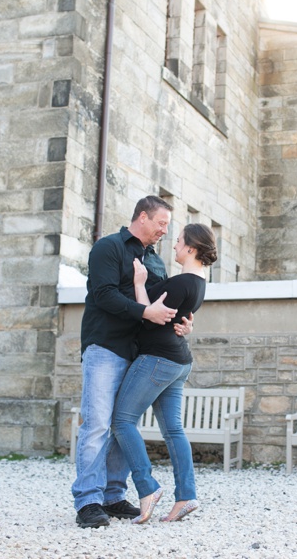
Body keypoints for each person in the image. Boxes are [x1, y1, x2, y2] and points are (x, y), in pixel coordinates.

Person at [71, 196, 193, 529]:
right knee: (96, 424)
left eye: (168, 226)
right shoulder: (107, 248)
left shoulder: (155, 262)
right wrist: (144, 312)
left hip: (141, 354)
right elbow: (104, 294)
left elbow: (162, 305)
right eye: (162, 223)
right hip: (106, 347)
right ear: (142, 217)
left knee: (125, 426)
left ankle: (113, 496)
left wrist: (183, 323)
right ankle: (88, 502)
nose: (165, 231)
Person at [111, 223, 217, 524]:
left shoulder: (182, 282)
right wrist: (187, 327)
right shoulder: (198, 282)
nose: (174, 245)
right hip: (179, 361)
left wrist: (141, 282)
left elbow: (149, 318)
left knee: (122, 420)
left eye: (180, 241)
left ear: (192, 248)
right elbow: (176, 319)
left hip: (159, 359)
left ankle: (147, 488)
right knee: (173, 430)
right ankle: (186, 496)